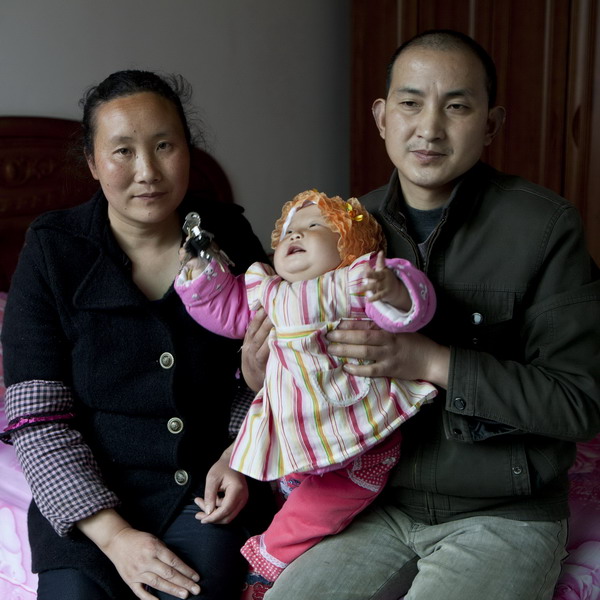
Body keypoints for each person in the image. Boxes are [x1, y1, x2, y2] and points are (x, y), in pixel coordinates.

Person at [253, 30, 600, 600]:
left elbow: (579, 403)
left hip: (503, 512)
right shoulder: (341, 230)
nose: (430, 128)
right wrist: (257, 364)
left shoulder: (544, 228)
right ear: (382, 116)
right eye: (411, 104)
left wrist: (432, 360)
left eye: (457, 106)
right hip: (373, 505)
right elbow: (302, 375)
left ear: (491, 123)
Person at [0, 70, 274, 600]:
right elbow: (37, 420)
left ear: (187, 151)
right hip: (89, 509)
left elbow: (269, 376)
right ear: (92, 162)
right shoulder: (53, 251)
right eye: (122, 151)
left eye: (164, 145)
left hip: (208, 488)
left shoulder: (228, 236)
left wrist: (239, 454)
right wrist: (117, 536)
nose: (147, 171)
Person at [174, 189, 437, 597]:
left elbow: (409, 312)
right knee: (291, 495)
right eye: (288, 232)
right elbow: (226, 312)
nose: (295, 235)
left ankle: (267, 562)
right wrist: (201, 276)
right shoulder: (269, 290)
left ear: (349, 244)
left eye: (314, 227)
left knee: (311, 514)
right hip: (297, 435)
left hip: (357, 436)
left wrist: (390, 288)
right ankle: (290, 551)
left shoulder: (351, 279)